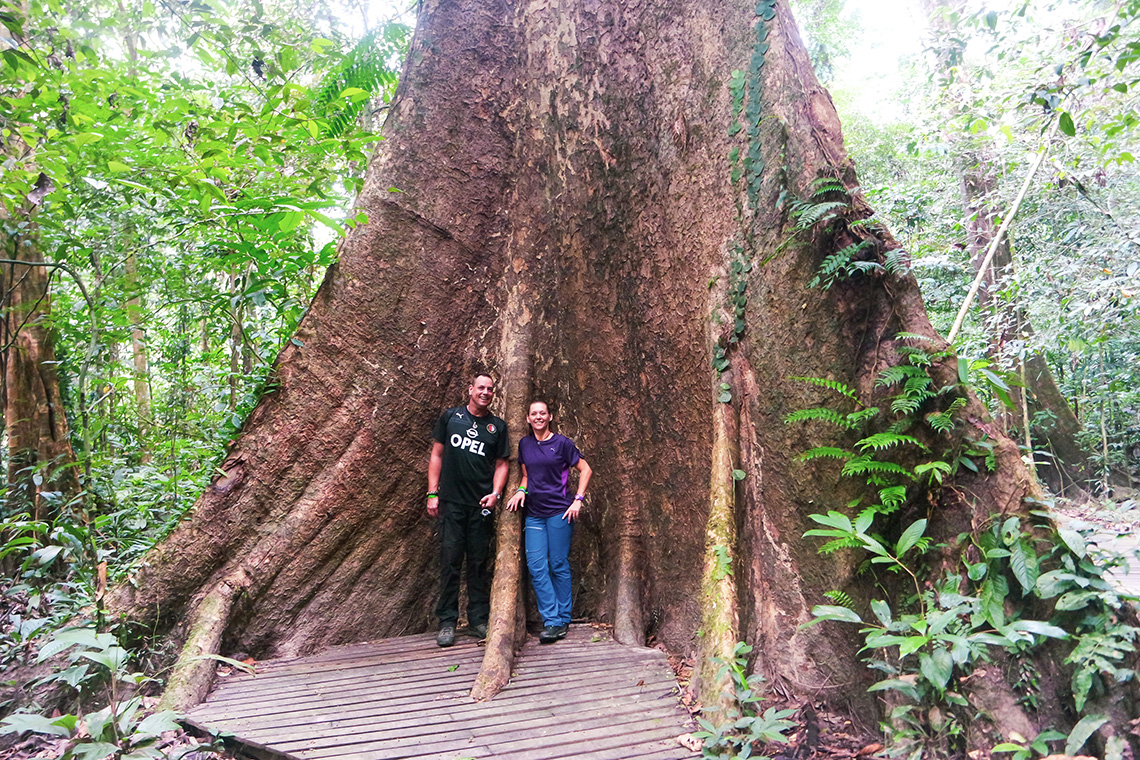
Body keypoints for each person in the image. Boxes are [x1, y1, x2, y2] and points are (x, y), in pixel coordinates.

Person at [427, 373, 510, 647]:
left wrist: (496, 494)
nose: (485, 392)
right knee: (450, 562)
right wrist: (432, 492)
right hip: (451, 503)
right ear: (471, 389)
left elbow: (502, 464)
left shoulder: (497, 427)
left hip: (481, 506)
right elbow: (437, 455)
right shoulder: (451, 418)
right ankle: (447, 621)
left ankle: (478, 619)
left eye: (490, 389)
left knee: (477, 564)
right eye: (481, 388)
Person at [506, 401, 592, 643]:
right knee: (536, 566)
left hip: (559, 512)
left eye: (542, 413)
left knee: (557, 564)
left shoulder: (562, 443)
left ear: (550, 416)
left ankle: (562, 618)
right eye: (534, 414)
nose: (538, 417)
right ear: (528, 418)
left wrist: (578, 499)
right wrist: (521, 491)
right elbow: (525, 475)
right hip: (534, 513)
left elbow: (585, 469)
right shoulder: (525, 443)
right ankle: (551, 618)